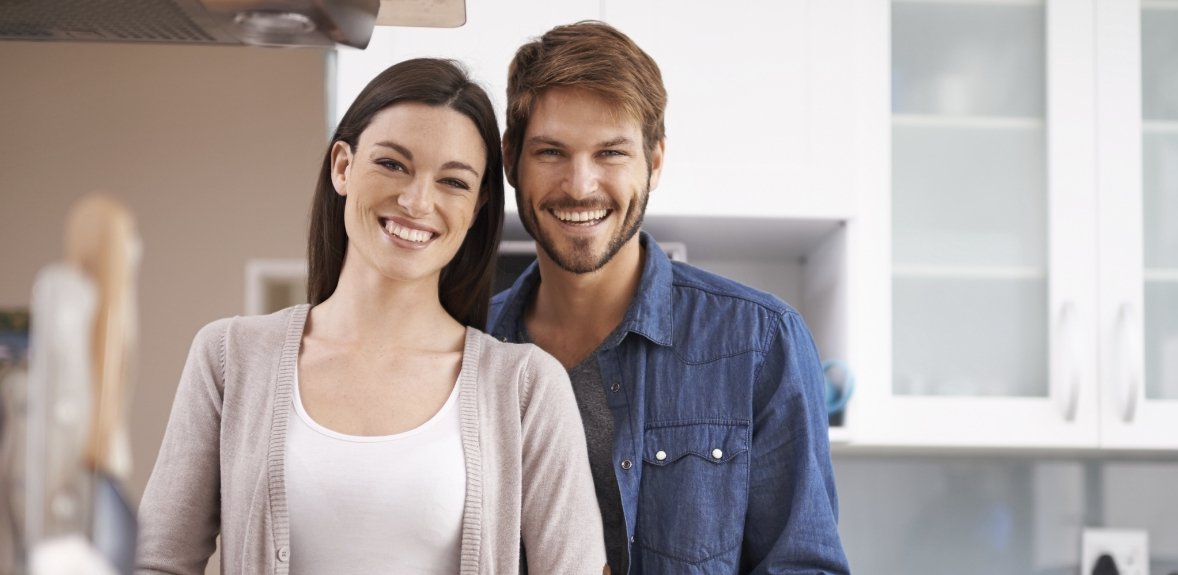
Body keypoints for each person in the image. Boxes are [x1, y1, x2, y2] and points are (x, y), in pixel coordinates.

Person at [136, 58, 605, 575]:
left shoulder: (526, 387)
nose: (416, 201)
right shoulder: (229, 357)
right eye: (393, 164)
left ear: (476, 206)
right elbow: (158, 562)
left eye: (453, 182)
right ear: (343, 166)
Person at [489, 21, 850, 574]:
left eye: (611, 152)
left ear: (654, 161)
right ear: (512, 160)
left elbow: (805, 566)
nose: (580, 185)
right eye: (551, 151)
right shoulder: (465, 344)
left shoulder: (759, 341)